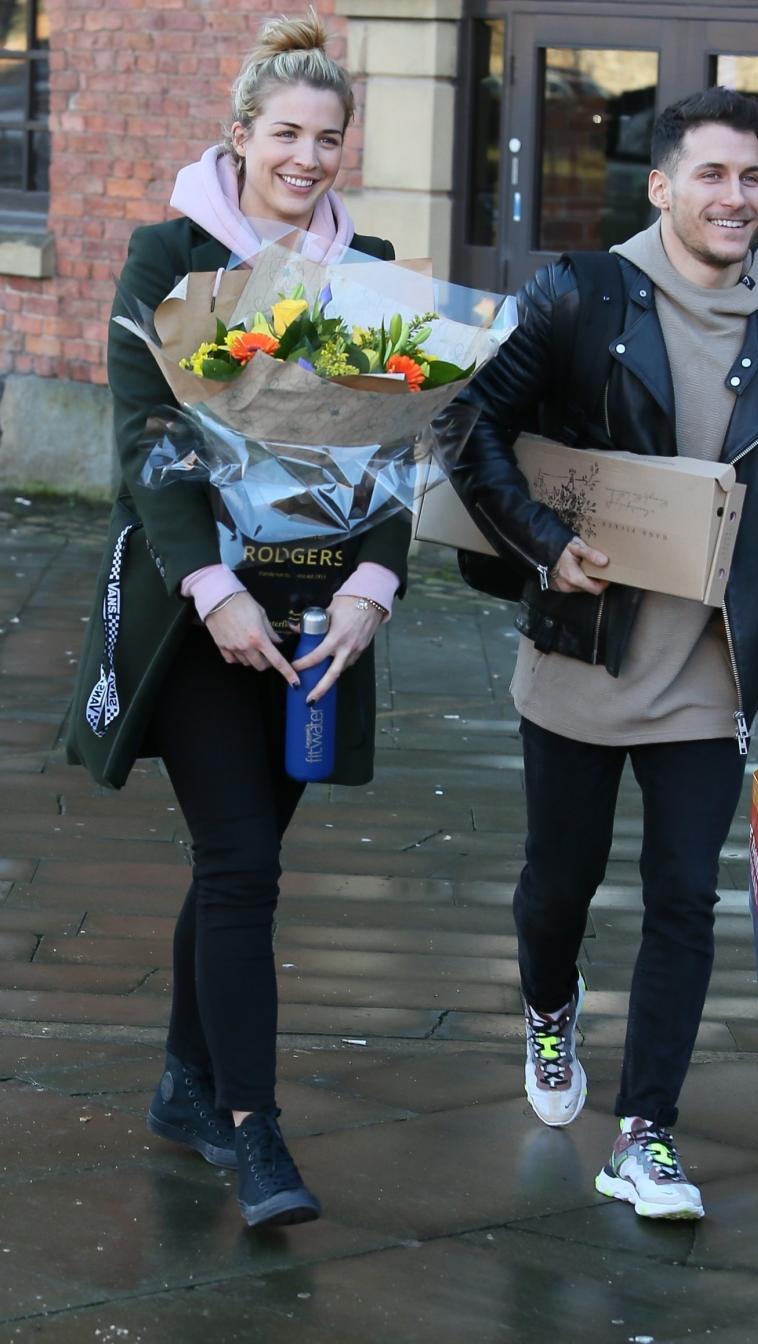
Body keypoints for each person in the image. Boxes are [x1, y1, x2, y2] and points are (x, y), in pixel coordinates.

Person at [449, 87, 758, 1220]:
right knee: (556, 891)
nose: (737, 196)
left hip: (710, 675)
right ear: (662, 185)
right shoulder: (579, 297)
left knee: (684, 899)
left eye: (752, 177)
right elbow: (469, 425)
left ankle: (647, 1133)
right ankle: (548, 1004)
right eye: (712, 175)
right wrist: (544, 546)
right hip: (581, 658)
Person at [66, 10, 410, 1228]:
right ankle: (257, 1133)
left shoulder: (363, 266)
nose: (307, 157)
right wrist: (210, 591)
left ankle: (183, 1084)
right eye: (286, 133)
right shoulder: (169, 257)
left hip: (321, 616)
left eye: (327, 137)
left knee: (237, 861)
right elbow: (144, 435)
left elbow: (385, 449)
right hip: (198, 610)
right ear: (242, 135)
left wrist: (375, 587)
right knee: (244, 865)